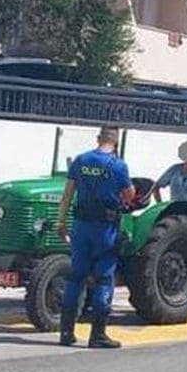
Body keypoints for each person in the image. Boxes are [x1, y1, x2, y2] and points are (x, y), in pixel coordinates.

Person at [55, 126, 136, 349]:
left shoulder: (80, 160)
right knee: (103, 278)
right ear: (116, 143)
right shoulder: (119, 166)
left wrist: (60, 222)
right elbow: (130, 196)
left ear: (98, 139)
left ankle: (66, 332)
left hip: (81, 226)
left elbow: (67, 194)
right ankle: (98, 334)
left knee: (75, 277)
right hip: (105, 229)